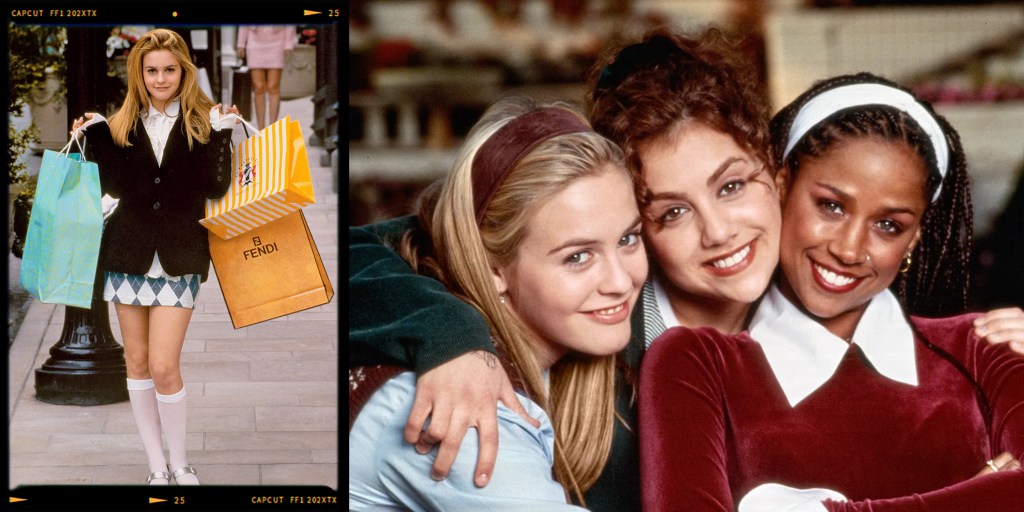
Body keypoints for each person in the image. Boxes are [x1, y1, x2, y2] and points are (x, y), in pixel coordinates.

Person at [349, 28, 1024, 510]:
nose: (720, 234)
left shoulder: (825, 290)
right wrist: (448, 332)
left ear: (774, 168)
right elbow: (337, 251)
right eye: (670, 214)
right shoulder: (607, 331)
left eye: (732, 186)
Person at [639, 72, 1024, 511]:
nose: (848, 249)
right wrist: (979, 495)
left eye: (888, 226)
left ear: (914, 238)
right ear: (782, 185)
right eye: (831, 206)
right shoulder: (696, 363)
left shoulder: (985, 348)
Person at [349, 97, 648, 509]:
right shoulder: (458, 408)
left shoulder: (551, 358)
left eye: (628, 239)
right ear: (494, 270)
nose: (621, 281)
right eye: (578, 257)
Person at [71, 28, 240, 486]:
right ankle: (156, 467)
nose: (160, 78)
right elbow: (117, 188)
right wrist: (93, 137)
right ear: (138, 74)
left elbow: (215, 187)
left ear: (184, 71)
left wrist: (223, 134)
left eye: (169, 69)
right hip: (128, 254)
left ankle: (181, 463)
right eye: (151, 71)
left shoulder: (204, 122)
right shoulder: (120, 124)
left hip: (179, 255)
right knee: (137, 362)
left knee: (165, 366)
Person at [236, 25, 295, 129]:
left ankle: (272, 129)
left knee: (273, 86)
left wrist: (289, 43)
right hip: (254, 41)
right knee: (258, 87)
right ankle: (261, 130)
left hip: (277, 42)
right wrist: (241, 43)